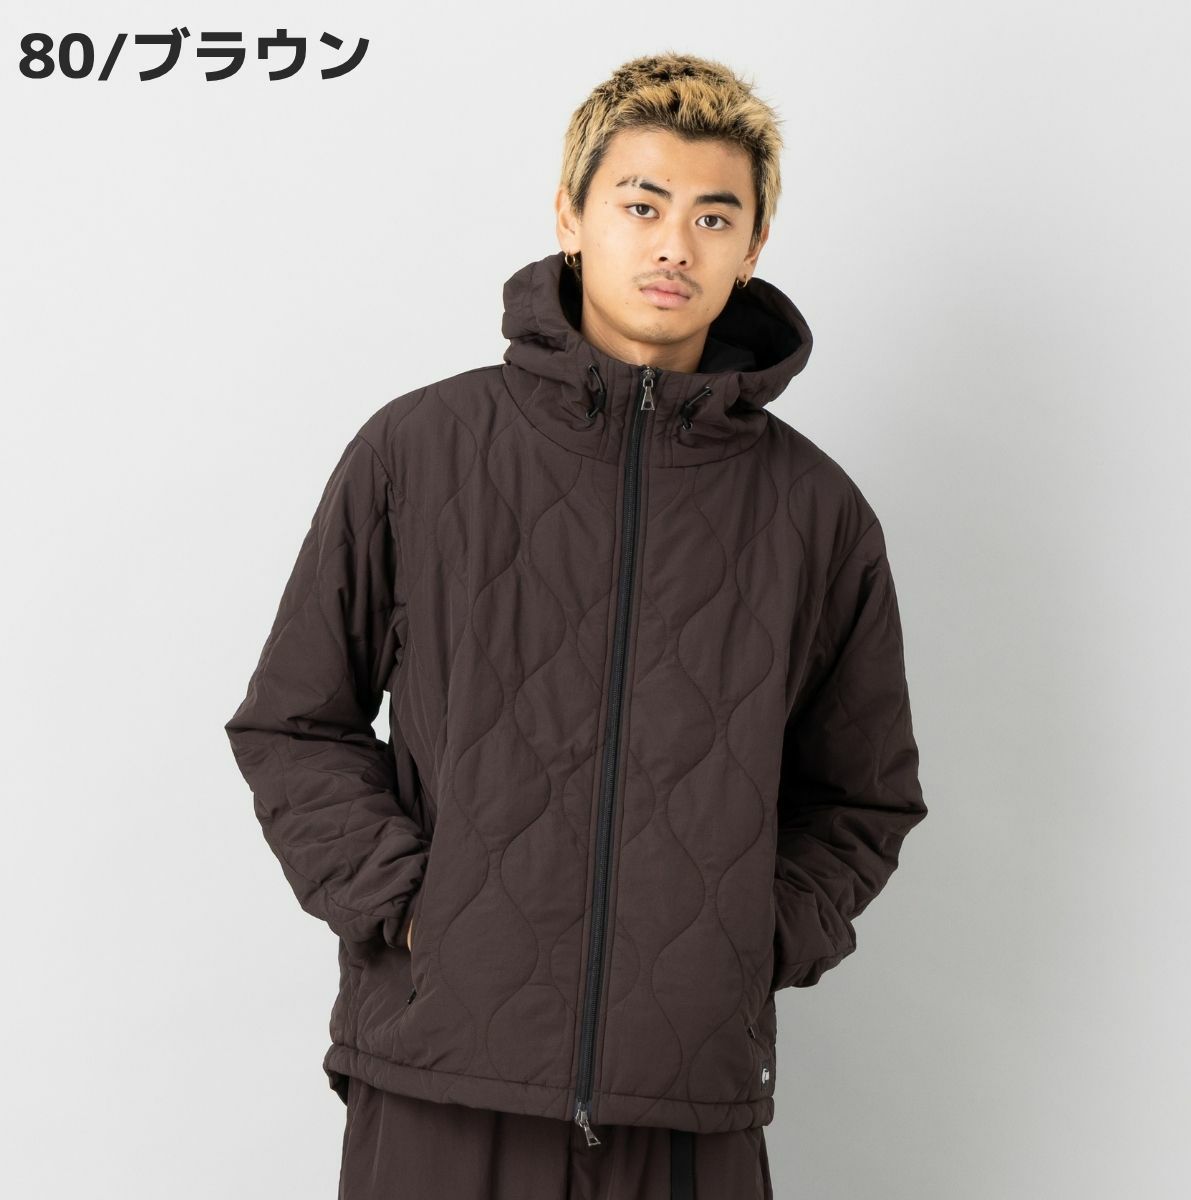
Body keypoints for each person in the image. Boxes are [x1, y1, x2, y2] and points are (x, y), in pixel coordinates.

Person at [224, 50, 928, 1200]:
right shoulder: (420, 451)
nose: (674, 245)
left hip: (685, 1106)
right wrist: (412, 908)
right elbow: (294, 722)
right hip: (442, 1081)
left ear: (753, 247)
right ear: (570, 215)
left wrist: (740, 947)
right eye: (641, 205)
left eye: (714, 216)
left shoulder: (817, 514)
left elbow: (863, 797)